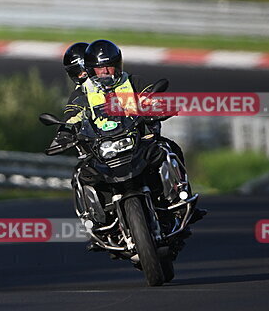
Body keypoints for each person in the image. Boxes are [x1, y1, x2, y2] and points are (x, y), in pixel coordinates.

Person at [64, 39, 205, 227]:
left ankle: (181, 198)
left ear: (117, 65)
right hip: (103, 148)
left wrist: (158, 106)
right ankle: (96, 220)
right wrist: (65, 132)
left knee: (169, 148)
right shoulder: (82, 94)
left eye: (109, 66)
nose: (105, 71)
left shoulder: (132, 81)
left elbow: (151, 97)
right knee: (81, 173)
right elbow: (71, 117)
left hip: (140, 139)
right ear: (91, 70)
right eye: (99, 68)